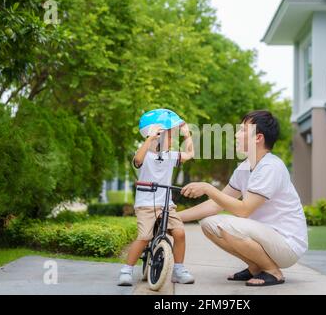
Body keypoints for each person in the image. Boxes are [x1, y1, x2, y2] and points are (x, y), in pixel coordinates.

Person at [178, 110, 308, 287]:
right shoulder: (245, 167)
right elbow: (216, 204)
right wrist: (175, 217)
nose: (237, 134)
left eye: (242, 130)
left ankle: (272, 271)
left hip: (287, 244)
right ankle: (255, 267)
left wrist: (208, 188)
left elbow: (244, 210)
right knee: (208, 224)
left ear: (258, 138)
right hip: (266, 238)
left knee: (225, 226)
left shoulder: (270, 167)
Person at [118, 109, 195, 286]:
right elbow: (137, 159)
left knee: (180, 233)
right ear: (156, 135)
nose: (171, 140)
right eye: (169, 136)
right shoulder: (145, 155)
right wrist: (150, 139)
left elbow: (190, 154)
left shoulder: (170, 156)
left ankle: (178, 270)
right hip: (146, 205)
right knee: (144, 236)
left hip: (166, 204)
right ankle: (126, 270)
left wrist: (187, 135)